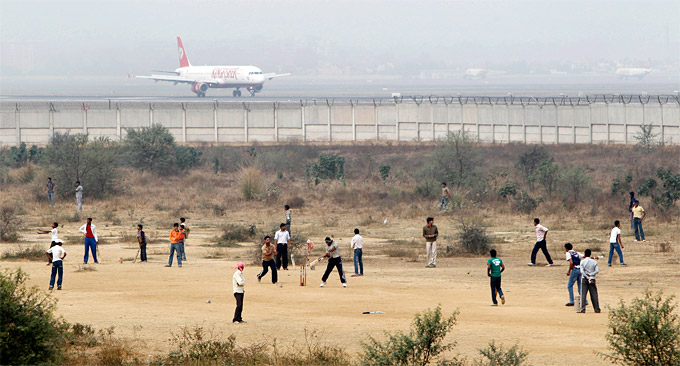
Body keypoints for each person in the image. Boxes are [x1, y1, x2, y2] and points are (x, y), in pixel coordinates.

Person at [579, 249, 601, 313]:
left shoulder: (582, 262)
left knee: (583, 294)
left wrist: (586, 276)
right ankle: (596, 309)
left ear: (585, 254)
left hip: (584, 278)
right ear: (590, 254)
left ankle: (582, 309)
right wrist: (591, 275)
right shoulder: (594, 262)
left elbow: (582, 271)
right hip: (592, 279)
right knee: (594, 294)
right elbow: (597, 271)